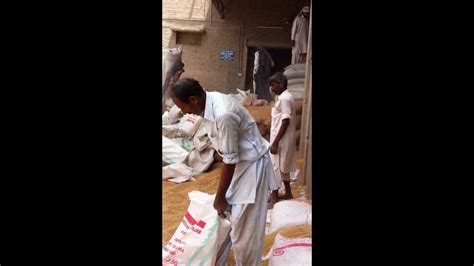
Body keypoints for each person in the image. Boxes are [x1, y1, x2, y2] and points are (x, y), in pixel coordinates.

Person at [170, 78, 279, 266]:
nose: (182, 112)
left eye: (182, 106)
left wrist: (220, 197)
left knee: (246, 231)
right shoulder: (208, 105)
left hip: (251, 169)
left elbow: (230, 160)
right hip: (241, 167)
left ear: (193, 99)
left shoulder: (223, 114)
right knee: (233, 220)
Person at [268, 73, 297, 208]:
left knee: (276, 167)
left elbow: (285, 121)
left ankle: (274, 198)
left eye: (273, 85)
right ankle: (288, 193)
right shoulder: (285, 97)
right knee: (283, 167)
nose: (271, 88)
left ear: (281, 84)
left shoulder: (285, 99)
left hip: (281, 141)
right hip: (283, 139)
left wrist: (275, 142)